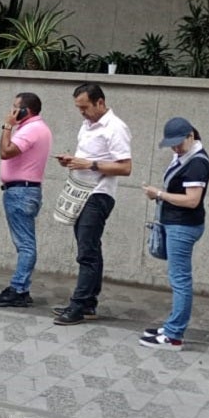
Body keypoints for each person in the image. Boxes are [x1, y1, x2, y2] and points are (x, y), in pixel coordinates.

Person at [53, 83, 133, 326]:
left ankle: (80, 304)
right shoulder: (87, 124)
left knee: (87, 250)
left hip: (99, 193)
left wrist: (89, 164)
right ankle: (87, 303)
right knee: (88, 247)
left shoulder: (115, 128)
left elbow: (125, 167)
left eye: (85, 107)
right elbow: (88, 158)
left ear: (100, 102)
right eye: (79, 108)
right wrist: (73, 161)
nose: (82, 113)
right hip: (81, 190)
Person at [138, 117, 209, 350]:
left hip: (183, 225)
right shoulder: (185, 157)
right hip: (179, 223)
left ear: (191, 136)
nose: (176, 148)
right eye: (172, 144)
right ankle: (172, 327)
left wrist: (158, 194)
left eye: (179, 143)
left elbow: (192, 200)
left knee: (180, 279)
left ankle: (174, 334)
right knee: (179, 278)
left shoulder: (197, 162)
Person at [0, 92, 54, 308]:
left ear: (26, 110)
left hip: (21, 192)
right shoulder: (37, 128)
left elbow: (6, 152)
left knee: (25, 244)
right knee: (25, 242)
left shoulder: (32, 129)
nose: (11, 111)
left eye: (15, 107)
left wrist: (7, 126)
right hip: (24, 190)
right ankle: (20, 287)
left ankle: (19, 289)